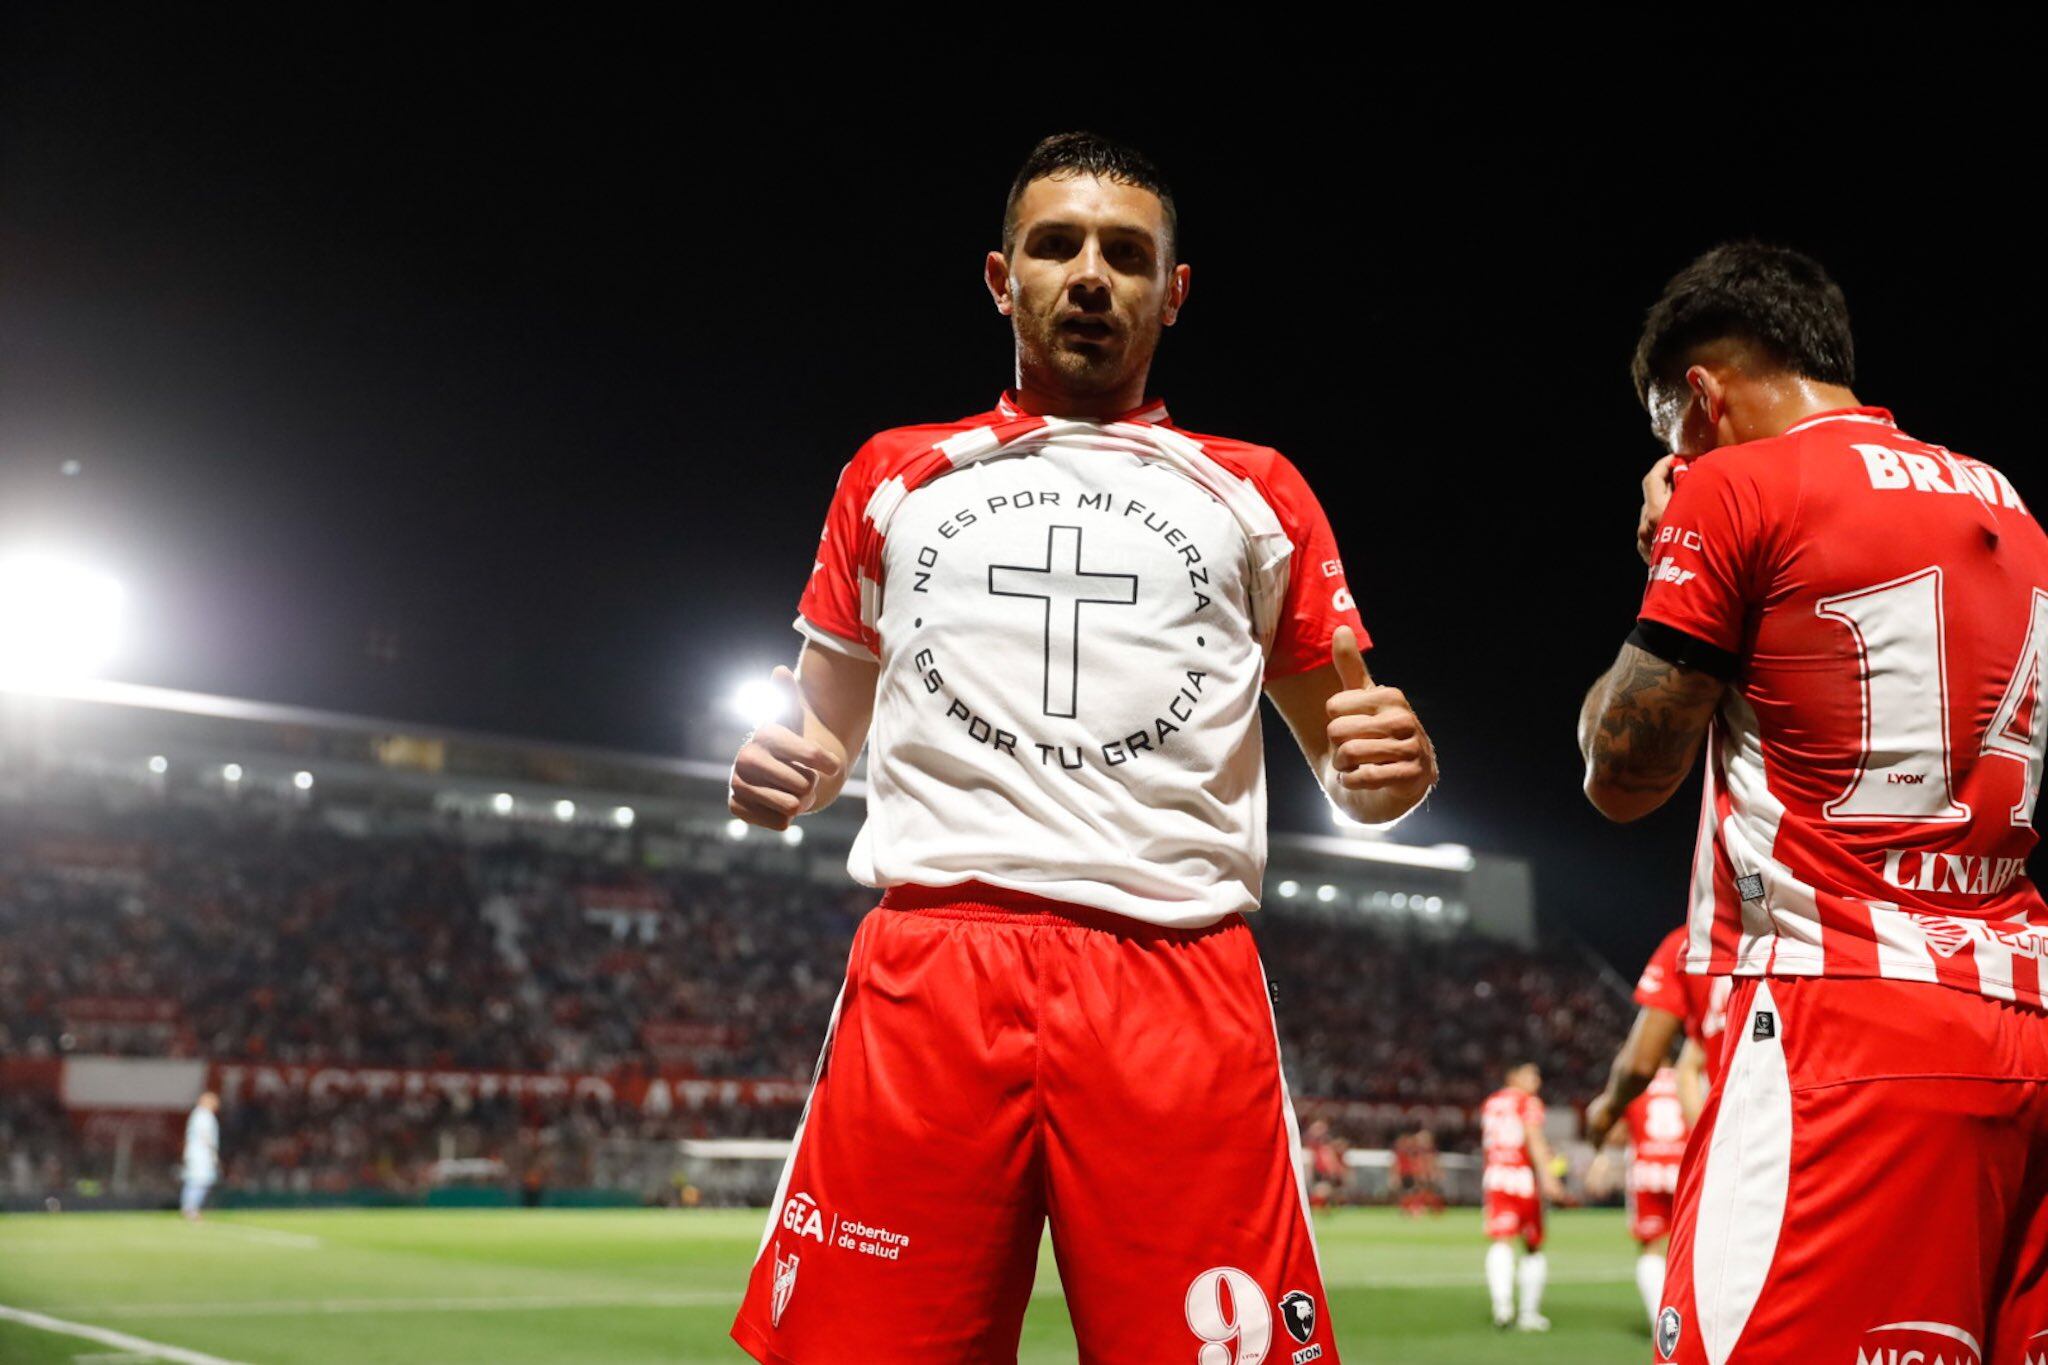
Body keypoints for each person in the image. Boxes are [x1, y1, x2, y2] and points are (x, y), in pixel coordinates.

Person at [725, 131, 1437, 1363]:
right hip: (933, 971)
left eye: (1126, 252)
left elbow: (1355, 771)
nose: (1090, 274)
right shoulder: (893, 476)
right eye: (1056, 247)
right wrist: (781, 771)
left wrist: (1394, 773)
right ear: (1002, 278)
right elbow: (819, 731)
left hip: (1173, 981)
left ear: (1174, 289)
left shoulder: (1254, 488)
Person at [1579, 241, 2048, 1362]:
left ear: (1697, 393)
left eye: (1664, 431)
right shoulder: (2007, 502)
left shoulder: (1735, 486)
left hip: (1837, 1023)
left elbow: (1620, 773)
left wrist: (1661, 559)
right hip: (2020, 1017)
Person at [1585, 922, 1729, 1145]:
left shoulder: (1689, 943)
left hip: (1744, 1135)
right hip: (1798, 1121)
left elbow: (1639, 1066)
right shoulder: (1796, 934)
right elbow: (1689, 1065)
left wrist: (1608, 1108)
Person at [1586, 1065, 1689, 1330]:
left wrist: (1602, 1156)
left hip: (1647, 1172)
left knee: (1651, 1247)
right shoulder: (1687, 1077)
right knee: (1691, 1247)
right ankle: (1692, 1317)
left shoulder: (1634, 1082)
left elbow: (1608, 1123)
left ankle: (1661, 1322)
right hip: (1684, 1169)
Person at [1479, 1062, 1565, 1332]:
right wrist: (1549, 1177)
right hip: (1523, 1179)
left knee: (1501, 1240)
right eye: (1530, 1074)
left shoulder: (1492, 1103)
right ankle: (1528, 1314)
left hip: (1495, 1177)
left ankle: (1502, 1305)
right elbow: (1533, 1138)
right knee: (1532, 1245)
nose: (1536, 1080)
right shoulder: (1528, 1102)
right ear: (1512, 1075)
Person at [180, 1091, 220, 1221]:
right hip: (201, 1153)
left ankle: (189, 1208)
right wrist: (212, 1152)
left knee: (194, 1180)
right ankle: (191, 1209)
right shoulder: (204, 1115)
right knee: (199, 1181)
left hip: (195, 1153)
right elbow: (205, 1135)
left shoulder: (197, 1114)